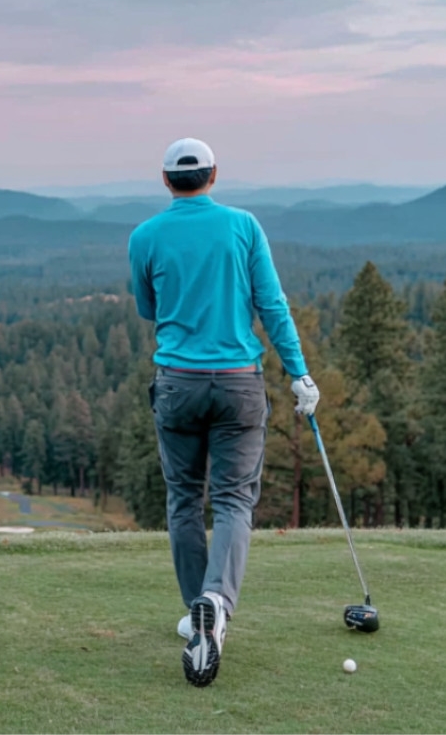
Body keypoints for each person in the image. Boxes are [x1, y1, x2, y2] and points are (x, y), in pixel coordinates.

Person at [127, 137, 320, 688]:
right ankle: (217, 601)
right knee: (234, 499)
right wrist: (299, 371)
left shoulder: (144, 236)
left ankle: (198, 613)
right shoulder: (244, 226)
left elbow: (149, 308)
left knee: (184, 498)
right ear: (214, 176)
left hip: (177, 385)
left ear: (166, 181)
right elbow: (272, 305)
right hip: (239, 383)